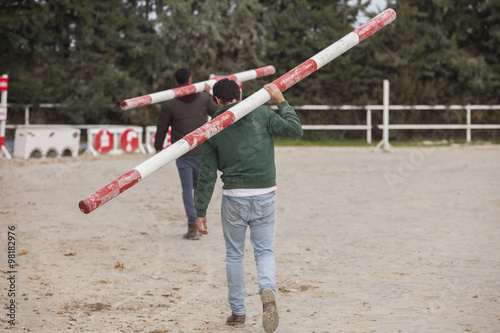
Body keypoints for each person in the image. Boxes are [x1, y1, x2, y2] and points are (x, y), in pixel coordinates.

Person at [194, 79, 303, 332]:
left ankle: (238, 312)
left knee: (234, 255)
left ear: (217, 101)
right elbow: (295, 130)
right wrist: (281, 102)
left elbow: (207, 174)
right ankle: (267, 289)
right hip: (265, 192)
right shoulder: (262, 113)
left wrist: (200, 210)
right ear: (240, 94)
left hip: (234, 196)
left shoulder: (212, 127)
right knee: (264, 251)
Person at [155, 68, 218, 240]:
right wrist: (210, 95)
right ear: (190, 79)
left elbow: (162, 127)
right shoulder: (204, 98)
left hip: (182, 152)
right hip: (202, 150)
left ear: (176, 82)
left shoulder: (169, 103)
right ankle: (199, 222)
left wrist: (158, 147)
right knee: (199, 188)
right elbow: (218, 113)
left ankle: (192, 226)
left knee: (186, 189)